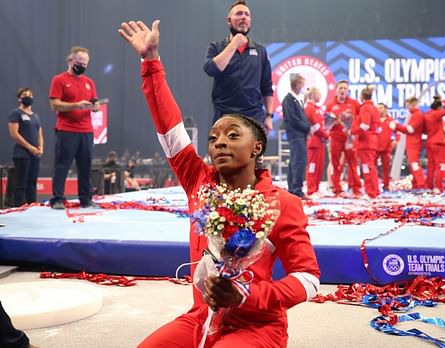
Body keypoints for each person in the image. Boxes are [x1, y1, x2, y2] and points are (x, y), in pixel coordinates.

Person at [119, 20, 320, 348]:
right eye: (213, 138)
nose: (219, 143)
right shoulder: (198, 180)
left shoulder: (283, 204)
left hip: (258, 326)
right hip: (200, 318)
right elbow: (169, 126)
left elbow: (309, 280)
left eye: (232, 135)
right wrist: (151, 63)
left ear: (257, 147)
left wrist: (248, 295)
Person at [203, 0, 274, 131]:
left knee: (253, 152)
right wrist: (233, 45)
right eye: (239, 14)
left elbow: (267, 87)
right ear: (229, 20)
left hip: (254, 118)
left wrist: (269, 116)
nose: (244, 17)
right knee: (225, 152)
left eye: (247, 14)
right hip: (224, 117)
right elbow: (211, 69)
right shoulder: (216, 47)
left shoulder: (260, 51)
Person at [48, 46, 100, 209]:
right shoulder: (59, 80)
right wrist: (76, 105)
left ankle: (85, 198)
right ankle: (57, 199)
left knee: (85, 166)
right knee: (62, 165)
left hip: (86, 131)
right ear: (71, 60)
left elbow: (94, 101)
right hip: (67, 130)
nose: (82, 66)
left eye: (85, 63)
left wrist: (95, 106)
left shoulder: (89, 82)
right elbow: (54, 105)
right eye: (80, 62)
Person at [7, 88, 44, 207]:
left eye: (30, 95)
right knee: (21, 183)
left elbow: (40, 134)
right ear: (19, 98)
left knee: (32, 182)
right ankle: (19, 207)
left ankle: (32, 205)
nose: (27, 97)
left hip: (35, 154)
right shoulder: (16, 113)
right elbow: (14, 134)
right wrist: (29, 147)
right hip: (22, 153)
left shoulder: (36, 116)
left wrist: (40, 148)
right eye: (24, 95)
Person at [325, 80, 361, 196]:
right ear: (336, 90)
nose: (342, 90)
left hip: (349, 138)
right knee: (335, 164)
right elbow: (326, 123)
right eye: (340, 88)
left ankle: (356, 188)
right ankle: (337, 188)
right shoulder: (330, 105)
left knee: (353, 163)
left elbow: (361, 118)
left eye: (345, 88)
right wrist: (334, 121)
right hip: (335, 137)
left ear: (348, 90)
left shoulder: (354, 104)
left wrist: (355, 132)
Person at [282, 75, 311, 198]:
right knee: (298, 161)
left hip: (300, 135)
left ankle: (293, 188)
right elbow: (293, 119)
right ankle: (296, 189)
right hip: (296, 135)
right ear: (298, 84)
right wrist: (307, 128)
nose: (304, 88)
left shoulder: (296, 100)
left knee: (295, 161)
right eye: (302, 85)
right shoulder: (289, 99)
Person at [390, 97, 426, 191]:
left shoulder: (417, 115)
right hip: (412, 142)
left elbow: (410, 129)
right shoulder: (415, 114)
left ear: (412, 104)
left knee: (414, 164)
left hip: (414, 143)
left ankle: (421, 184)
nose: (407, 107)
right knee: (413, 164)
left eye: (408, 105)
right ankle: (417, 184)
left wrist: (397, 126)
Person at [352, 88, 380, 198]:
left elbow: (365, 125)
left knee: (367, 166)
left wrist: (353, 131)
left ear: (361, 97)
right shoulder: (374, 108)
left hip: (365, 142)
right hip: (371, 141)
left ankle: (371, 192)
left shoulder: (365, 108)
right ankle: (374, 190)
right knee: (370, 166)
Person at [304, 87, 328, 197]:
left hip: (320, 142)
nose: (320, 96)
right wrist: (326, 135)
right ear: (313, 94)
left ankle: (316, 188)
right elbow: (315, 126)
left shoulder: (317, 109)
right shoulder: (310, 108)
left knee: (319, 167)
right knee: (313, 167)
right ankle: (311, 189)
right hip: (313, 142)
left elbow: (320, 125)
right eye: (319, 93)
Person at [424, 95, 445, 193]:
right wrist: (444, 100)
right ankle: (439, 187)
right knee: (441, 166)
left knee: (431, 166)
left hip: (430, 142)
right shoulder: (436, 114)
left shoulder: (427, 114)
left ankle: (430, 186)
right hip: (438, 143)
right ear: (439, 108)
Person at [375, 103, 396, 192]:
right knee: (373, 168)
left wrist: (396, 141)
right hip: (375, 148)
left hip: (386, 148)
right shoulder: (374, 120)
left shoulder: (391, 120)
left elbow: (397, 131)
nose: (379, 110)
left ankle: (386, 185)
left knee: (386, 169)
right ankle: (374, 185)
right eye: (378, 108)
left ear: (385, 109)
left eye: (381, 108)